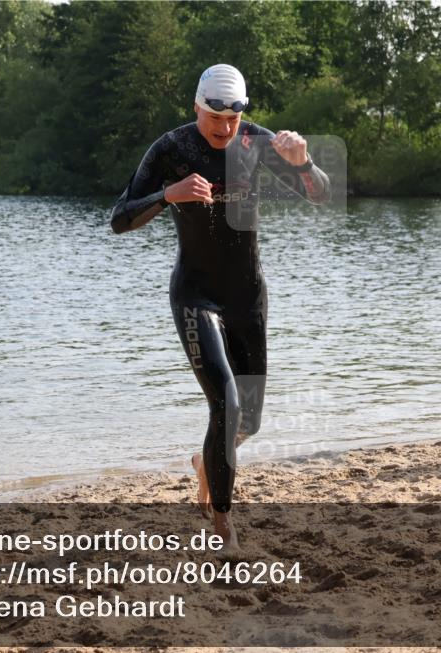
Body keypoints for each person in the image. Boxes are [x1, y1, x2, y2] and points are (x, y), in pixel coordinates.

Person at [109, 64, 331, 545]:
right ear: (197, 108)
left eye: (232, 120)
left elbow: (321, 195)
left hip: (247, 296)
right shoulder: (171, 149)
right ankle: (224, 525)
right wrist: (168, 194)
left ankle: (204, 461)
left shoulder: (257, 143)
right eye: (214, 118)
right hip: (196, 294)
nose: (224, 129)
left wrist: (302, 163)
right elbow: (119, 219)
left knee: (247, 421)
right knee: (225, 403)